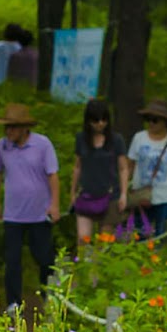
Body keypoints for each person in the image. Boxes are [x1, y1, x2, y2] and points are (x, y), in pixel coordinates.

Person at [0, 102, 60, 315]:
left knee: (45, 258)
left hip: (39, 213)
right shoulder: (1, 146)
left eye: (13, 127)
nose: (9, 131)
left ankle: (49, 297)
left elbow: (53, 175)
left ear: (24, 128)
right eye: (6, 127)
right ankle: (13, 303)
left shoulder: (42, 145)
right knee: (12, 260)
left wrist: (54, 204)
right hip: (13, 214)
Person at [125, 97, 167, 238]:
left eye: (155, 120)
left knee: (163, 235)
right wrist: (123, 190)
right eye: (148, 119)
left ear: (165, 122)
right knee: (139, 235)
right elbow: (129, 166)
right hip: (141, 195)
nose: (151, 123)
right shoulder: (139, 138)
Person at [68, 98, 127, 241]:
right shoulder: (81, 139)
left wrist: (124, 194)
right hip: (87, 194)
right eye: (96, 120)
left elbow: (123, 168)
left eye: (104, 119)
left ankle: (99, 263)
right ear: (88, 121)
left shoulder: (116, 140)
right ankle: (84, 262)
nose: (100, 124)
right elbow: (77, 167)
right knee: (83, 238)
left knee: (104, 241)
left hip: (110, 195)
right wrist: (73, 192)